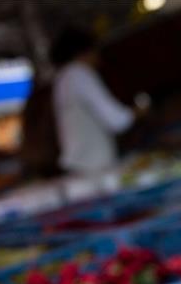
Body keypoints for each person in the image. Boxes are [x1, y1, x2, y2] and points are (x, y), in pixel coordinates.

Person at [51, 27, 137, 175]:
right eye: (96, 51)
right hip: (96, 166)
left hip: (79, 165)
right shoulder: (79, 74)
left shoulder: (62, 79)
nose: (99, 58)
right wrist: (138, 111)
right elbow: (118, 120)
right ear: (85, 52)